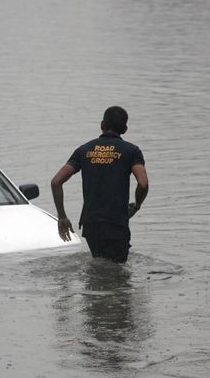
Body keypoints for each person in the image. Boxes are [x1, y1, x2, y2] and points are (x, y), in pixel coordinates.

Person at [50, 106, 149, 263]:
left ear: (102, 125)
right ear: (125, 129)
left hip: (91, 224)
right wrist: (136, 205)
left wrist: (62, 216)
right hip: (116, 222)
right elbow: (143, 184)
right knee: (116, 275)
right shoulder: (131, 151)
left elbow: (56, 182)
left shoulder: (84, 150)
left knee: (99, 267)